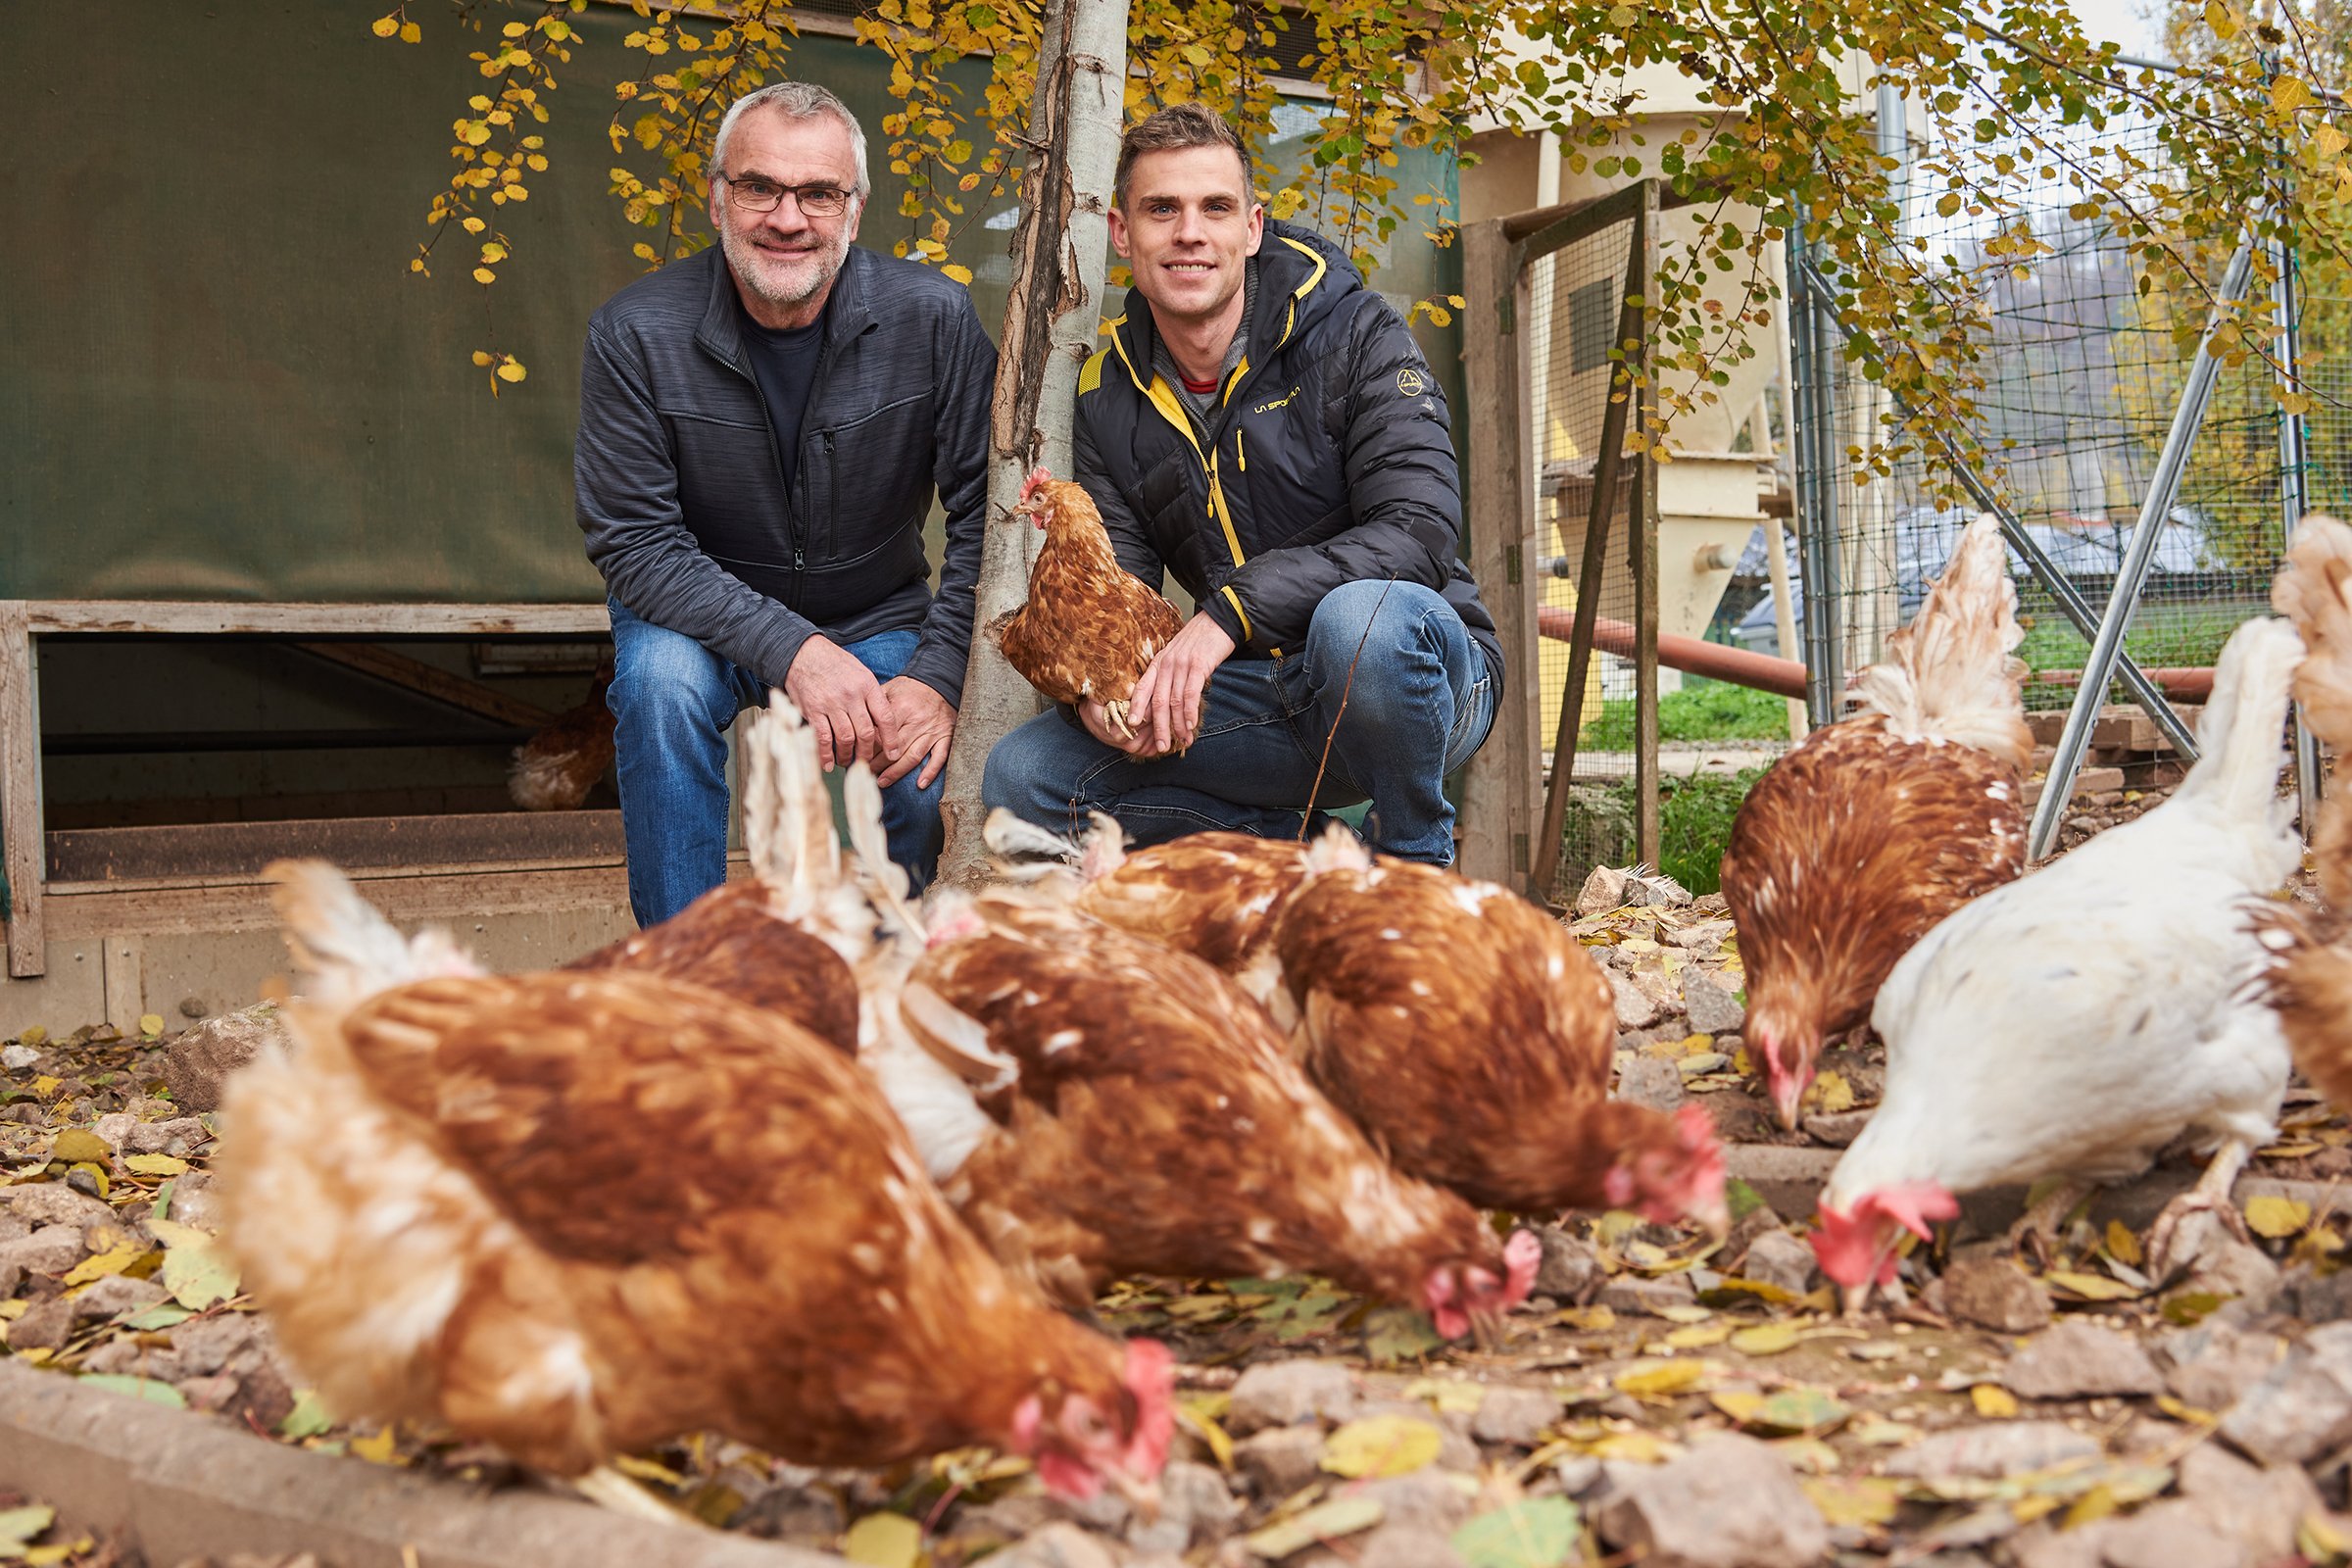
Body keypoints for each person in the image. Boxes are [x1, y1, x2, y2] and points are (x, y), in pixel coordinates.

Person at [983, 102, 1500, 864]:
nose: (1189, 232)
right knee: (1026, 778)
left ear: (1252, 229)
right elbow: (1123, 586)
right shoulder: (1105, 395)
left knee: (1362, 621)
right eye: (1162, 209)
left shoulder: (1358, 332)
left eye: (1214, 208)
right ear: (1123, 234)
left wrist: (1226, 615)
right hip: (1255, 698)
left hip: (1407, 681)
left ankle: (1412, 870)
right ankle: (1313, 857)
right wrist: (1100, 687)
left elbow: (1418, 532)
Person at [575, 81, 994, 926]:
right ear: (717, 196)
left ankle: (885, 984)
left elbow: (992, 513)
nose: (787, 217)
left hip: (874, 607)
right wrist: (793, 650)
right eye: (759, 186)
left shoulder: (935, 318)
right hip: (695, 613)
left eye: (818, 193)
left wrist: (941, 676)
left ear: (855, 208)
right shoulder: (634, 334)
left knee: (913, 774)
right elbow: (634, 542)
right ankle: (687, 985)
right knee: (658, 691)